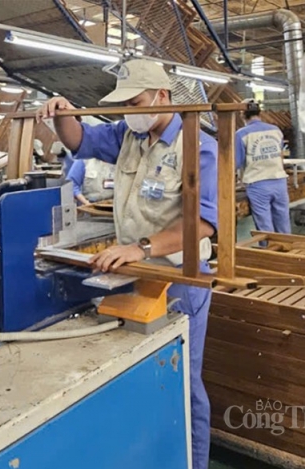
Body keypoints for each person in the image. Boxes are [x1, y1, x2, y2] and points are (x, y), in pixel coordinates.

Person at [38, 59, 218, 469]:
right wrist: (62, 114)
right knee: (144, 375)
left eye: (135, 103)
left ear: (162, 96)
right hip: (134, 275)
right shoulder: (126, 135)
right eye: (123, 105)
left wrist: (142, 247)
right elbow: (80, 140)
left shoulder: (197, 145)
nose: (128, 113)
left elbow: (204, 222)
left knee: (184, 383)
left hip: (178, 278)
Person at [235, 99, 291, 233]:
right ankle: (288, 250)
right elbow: (280, 154)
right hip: (279, 182)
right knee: (283, 222)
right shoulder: (275, 130)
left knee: (265, 227)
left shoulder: (242, 134)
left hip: (257, 184)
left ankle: (268, 252)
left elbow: (235, 162)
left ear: (242, 114)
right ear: (260, 112)